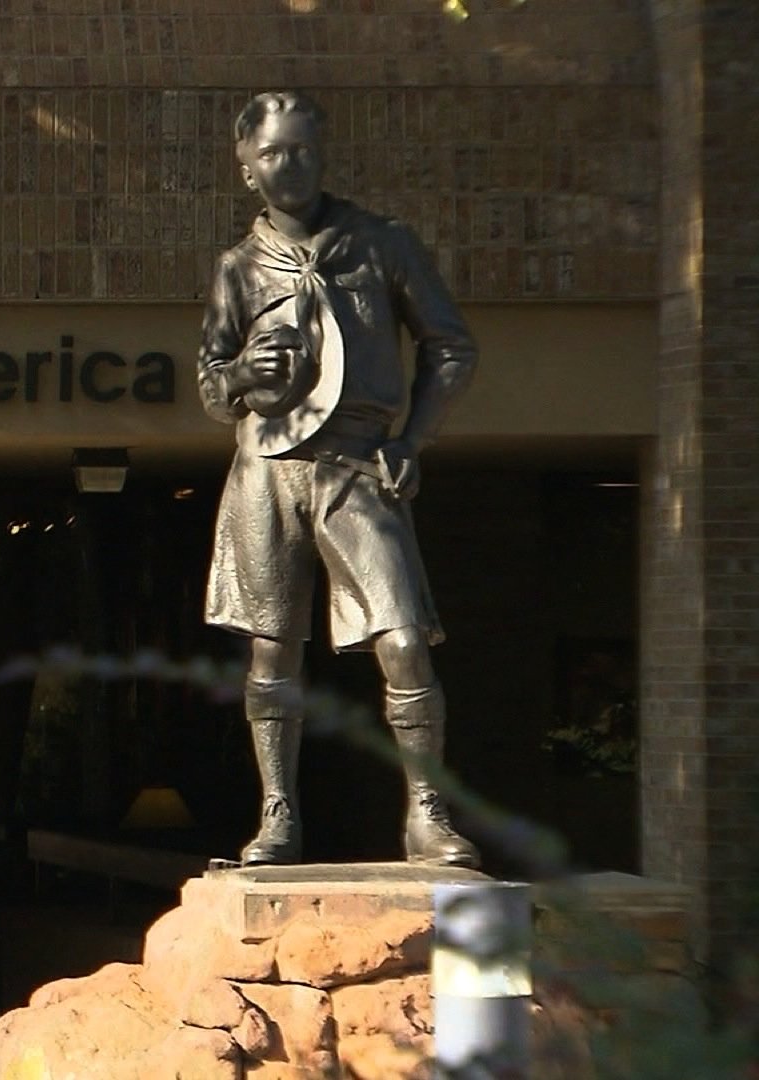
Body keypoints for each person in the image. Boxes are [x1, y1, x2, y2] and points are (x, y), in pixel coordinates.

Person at [197, 91, 480, 867]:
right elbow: (210, 384)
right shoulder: (237, 268)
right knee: (270, 650)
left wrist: (413, 439)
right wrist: (240, 373)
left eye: (304, 150)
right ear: (246, 166)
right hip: (266, 466)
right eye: (274, 153)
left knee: (404, 640)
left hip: (358, 461)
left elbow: (451, 347)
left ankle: (426, 813)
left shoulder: (381, 243)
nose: (291, 165)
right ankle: (277, 815)